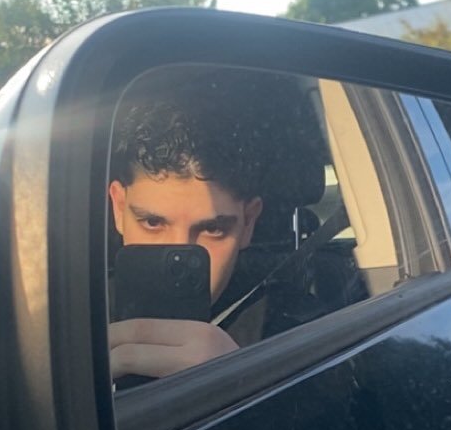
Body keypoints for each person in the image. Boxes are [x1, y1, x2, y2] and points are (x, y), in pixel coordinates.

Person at [107, 66, 327, 381]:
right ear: (118, 208)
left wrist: (239, 378)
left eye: (212, 229)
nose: (180, 252)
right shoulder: (65, 320)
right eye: (153, 222)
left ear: (248, 222)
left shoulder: (298, 332)